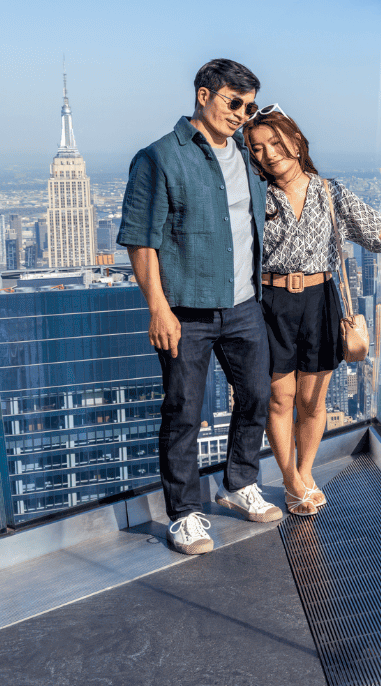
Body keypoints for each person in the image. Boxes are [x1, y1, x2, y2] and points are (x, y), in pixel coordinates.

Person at [244, 107, 381, 515]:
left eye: (275, 143)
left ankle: (305, 471)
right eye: (257, 149)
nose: (267, 154)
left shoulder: (329, 192)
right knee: (279, 399)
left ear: (297, 142)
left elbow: (372, 227)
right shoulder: (254, 194)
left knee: (313, 400)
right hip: (271, 302)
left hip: (320, 300)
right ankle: (290, 482)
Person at [119, 59, 283, 556]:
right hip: (185, 311)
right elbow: (140, 241)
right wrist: (158, 309)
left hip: (242, 305)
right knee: (184, 412)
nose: (241, 114)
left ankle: (239, 484)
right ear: (203, 94)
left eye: (249, 106)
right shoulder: (158, 158)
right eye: (234, 102)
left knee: (256, 396)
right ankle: (186, 515)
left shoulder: (245, 156)